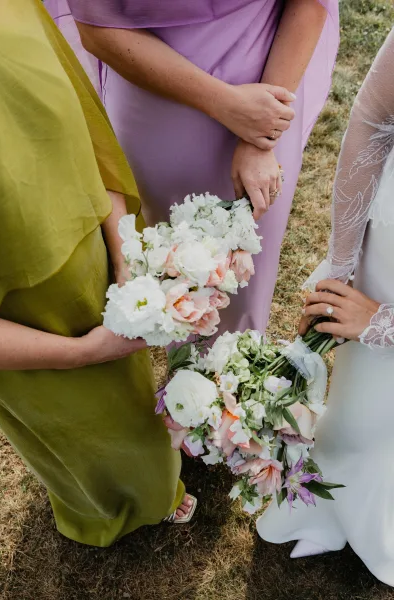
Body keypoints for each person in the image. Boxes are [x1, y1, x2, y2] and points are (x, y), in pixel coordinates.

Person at [0, 0, 195, 549]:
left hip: (90, 267)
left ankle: (156, 490)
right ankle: (91, 509)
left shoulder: (12, 11)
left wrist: (125, 256)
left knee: (130, 412)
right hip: (12, 323)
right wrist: (80, 353)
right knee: (65, 436)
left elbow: (89, 133)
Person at [45, 0, 339, 335]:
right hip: (157, 101)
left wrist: (261, 138)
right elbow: (97, 29)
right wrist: (228, 105)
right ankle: (185, 377)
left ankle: (228, 375)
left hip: (268, 84)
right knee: (171, 277)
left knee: (242, 283)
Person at [257, 26, 394, 586]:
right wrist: (340, 271)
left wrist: (382, 324)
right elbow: (371, 123)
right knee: (359, 420)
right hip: (387, 259)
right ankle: (341, 493)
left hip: (382, 313)